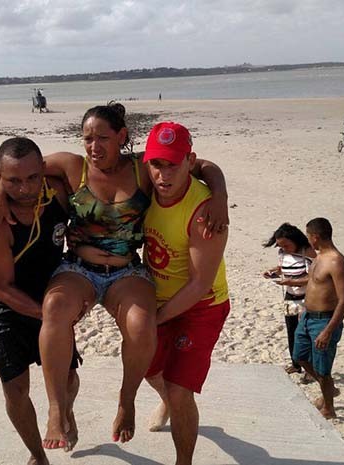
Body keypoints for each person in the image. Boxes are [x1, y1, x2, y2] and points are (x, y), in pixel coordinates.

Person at [0, 102, 229, 450]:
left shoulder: (145, 168)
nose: (94, 147)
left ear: (122, 137)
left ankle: (126, 401)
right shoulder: (71, 166)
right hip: (78, 269)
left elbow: (202, 166)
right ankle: (56, 410)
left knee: (142, 325)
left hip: (126, 270)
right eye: (87, 138)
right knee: (55, 309)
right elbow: (19, 170)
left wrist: (220, 194)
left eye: (103, 138)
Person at [0, 137, 82, 465]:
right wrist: (51, 319)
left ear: (43, 171)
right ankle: (38, 456)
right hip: (8, 309)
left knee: (68, 380)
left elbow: (76, 162)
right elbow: (2, 287)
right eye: (13, 181)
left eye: (32, 177)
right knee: (16, 392)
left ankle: (64, 410)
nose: (25, 188)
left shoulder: (58, 194)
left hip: (52, 297)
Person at [141, 122, 230, 465]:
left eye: (173, 165)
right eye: (156, 165)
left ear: (189, 161)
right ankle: (169, 401)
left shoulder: (206, 212)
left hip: (202, 305)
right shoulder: (145, 184)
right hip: (159, 297)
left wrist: (218, 194)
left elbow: (199, 284)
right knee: (149, 371)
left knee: (180, 390)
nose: (163, 175)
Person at [293, 218, 344, 419]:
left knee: (323, 370)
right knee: (299, 356)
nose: (309, 241)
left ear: (315, 237)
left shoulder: (336, 261)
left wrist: (328, 331)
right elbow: (314, 281)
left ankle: (329, 408)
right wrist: (290, 281)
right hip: (307, 317)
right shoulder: (318, 257)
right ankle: (329, 389)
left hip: (324, 321)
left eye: (309, 236)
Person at [263, 223, 316, 374]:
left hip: (307, 297)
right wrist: (273, 272)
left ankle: (310, 368)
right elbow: (283, 269)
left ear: (296, 241)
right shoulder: (282, 253)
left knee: (306, 332)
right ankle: (296, 364)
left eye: (287, 245)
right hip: (290, 296)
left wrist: (291, 281)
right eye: (281, 246)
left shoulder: (308, 253)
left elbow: (313, 277)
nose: (284, 248)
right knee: (291, 330)